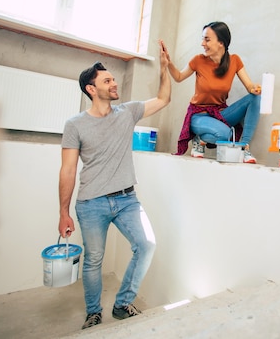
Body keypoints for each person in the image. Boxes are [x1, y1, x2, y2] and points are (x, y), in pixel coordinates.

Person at [57, 40, 171, 330]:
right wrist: (64, 212)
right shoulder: (75, 125)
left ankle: (122, 305)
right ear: (92, 90)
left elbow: (163, 99)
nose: (114, 82)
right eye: (107, 80)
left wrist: (164, 70)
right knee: (94, 260)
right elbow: (68, 170)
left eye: (113, 78)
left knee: (146, 245)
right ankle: (93, 313)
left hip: (126, 200)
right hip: (91, 203)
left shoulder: (128, 112)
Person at [162, 21, 261, 163]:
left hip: (220, 114)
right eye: (203, 39)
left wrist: (255, 88)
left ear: (221, 42)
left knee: (255, 98)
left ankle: (244, 147)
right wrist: (169, 62)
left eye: (207, 39)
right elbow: (178, 77)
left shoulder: (234, 60)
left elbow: (250, 87)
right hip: (198, 115)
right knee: (226, 135)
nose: (202, 43)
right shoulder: (198, 60)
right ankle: (199, 139)